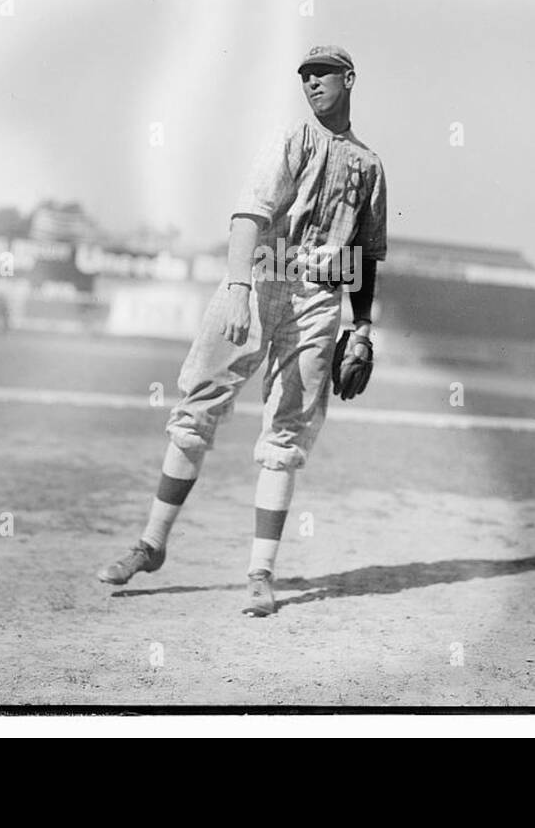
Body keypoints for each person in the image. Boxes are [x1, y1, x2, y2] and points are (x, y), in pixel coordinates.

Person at [97, 44, 387, 617]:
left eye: (322, 75)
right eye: (304, 76)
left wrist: (362, 327)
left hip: (320, 300)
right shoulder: (291, 140)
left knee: (286, 435)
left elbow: (367, 254)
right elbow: (249, 214)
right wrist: (235, 288)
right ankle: (150, 544)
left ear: (349, 79)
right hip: (261, 280)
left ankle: (260, 574)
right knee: (196, 409)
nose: (311, 83)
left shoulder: (371, 165)